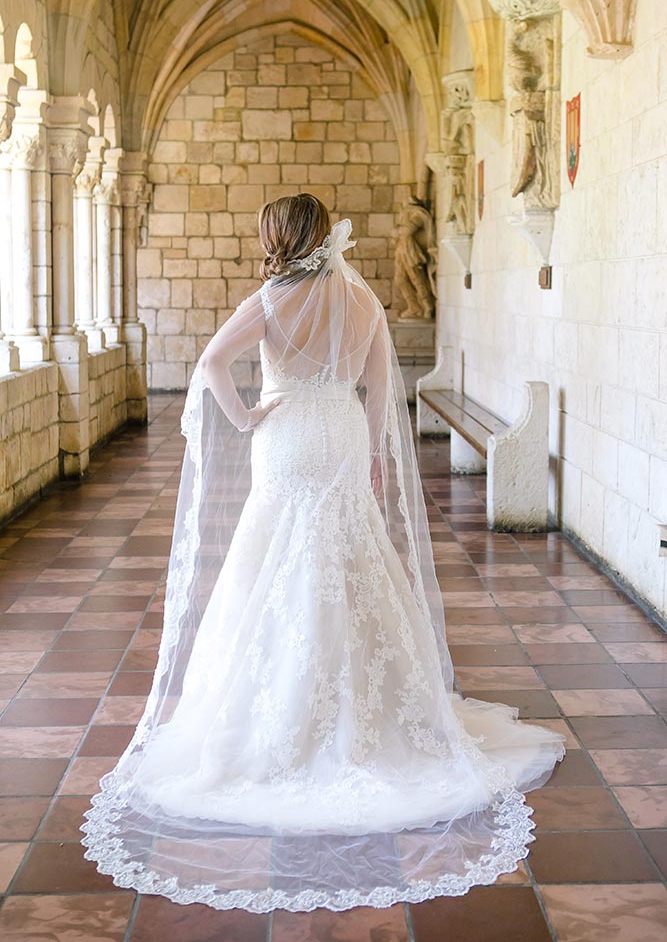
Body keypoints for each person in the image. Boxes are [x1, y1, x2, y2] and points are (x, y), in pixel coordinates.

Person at [81, 193, 566, 913]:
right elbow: (378, 387)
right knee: (349, 554)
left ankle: (279, 719)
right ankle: (371, 717)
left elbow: (212, 363)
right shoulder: (359, 298)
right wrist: (370, 453)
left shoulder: (272, 300)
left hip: (284, 440)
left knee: (273, 556)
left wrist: (246, 417)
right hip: (338, 434)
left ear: (276, 237)